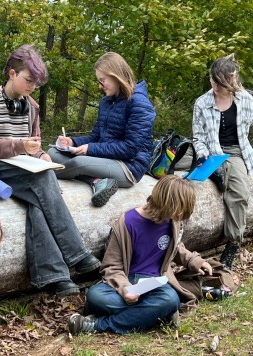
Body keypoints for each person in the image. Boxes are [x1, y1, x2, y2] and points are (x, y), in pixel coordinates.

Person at [0, 44, 100, 297]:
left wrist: (41, 155)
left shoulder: (32, 107)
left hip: (23, 168)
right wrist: (20, 146)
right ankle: (77, 254)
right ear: (12, 74)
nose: (32, 87)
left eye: (36, 84)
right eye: (28, 80)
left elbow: (33, 144)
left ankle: (55, 276)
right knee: (44, 180)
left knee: (38, 202)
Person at [68, 175, 213, 335]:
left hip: (156, 284)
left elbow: (175, 248)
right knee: (96, 297)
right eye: (177, 211)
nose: (179, 217)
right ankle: (154, 314)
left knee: (170, 299)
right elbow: (111, 267)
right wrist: (126, 289)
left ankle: (97, 325)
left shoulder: (172, 221)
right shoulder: (127, 222)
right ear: (165, 202)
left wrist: (195, 261)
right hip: (126, 280)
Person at [48, 52, 156, 207]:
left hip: (128, 167)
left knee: (79, 162)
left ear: (116, 75)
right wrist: (73, 141)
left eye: (102, 80)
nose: (100, 85)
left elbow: (130, 149)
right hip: (106, 159)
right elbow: (96, 136)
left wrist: (90, 149)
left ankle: (42, 174)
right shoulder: (106, 102)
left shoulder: (139, 103)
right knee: (53, 152)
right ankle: (97, 181)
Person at [192, 54, 253, 270]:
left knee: (239, 191)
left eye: (220, 83)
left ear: (231, 81)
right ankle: (216, 173)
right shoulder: (202, 102)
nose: (214, 86)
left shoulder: (247, 100)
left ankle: (233, 243)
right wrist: (202, 152)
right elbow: (198, 136)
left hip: (235, 152)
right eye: (213, 81)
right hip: (210, 152)